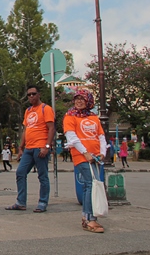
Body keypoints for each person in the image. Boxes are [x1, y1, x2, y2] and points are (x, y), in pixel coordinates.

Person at [63, 89, 107, 233]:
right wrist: (85, 152)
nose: (79, 101)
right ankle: (89, 219)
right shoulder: (70, 116)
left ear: (88, 101)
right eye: (77, 98)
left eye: (82, 98)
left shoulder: (94, 117)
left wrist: (102, 153)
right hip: (81, 156)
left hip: (95, 157)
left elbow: (101, 135)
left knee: (94, 185)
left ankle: (89, 216)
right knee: (89, 184)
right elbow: (72, 137)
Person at [6, 85, 55, 213]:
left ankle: (43, 202)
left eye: (33, 94)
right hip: (28, 148)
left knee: (42, 176)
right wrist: (20, 147)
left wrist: (47, 146)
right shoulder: (28, 111)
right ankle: (21, 202)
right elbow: (26, 130)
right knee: (20, 172)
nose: (31, 96)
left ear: (39, 94)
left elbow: (51, 128)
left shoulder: (46, 109)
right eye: (29, 95)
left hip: (40, 148)